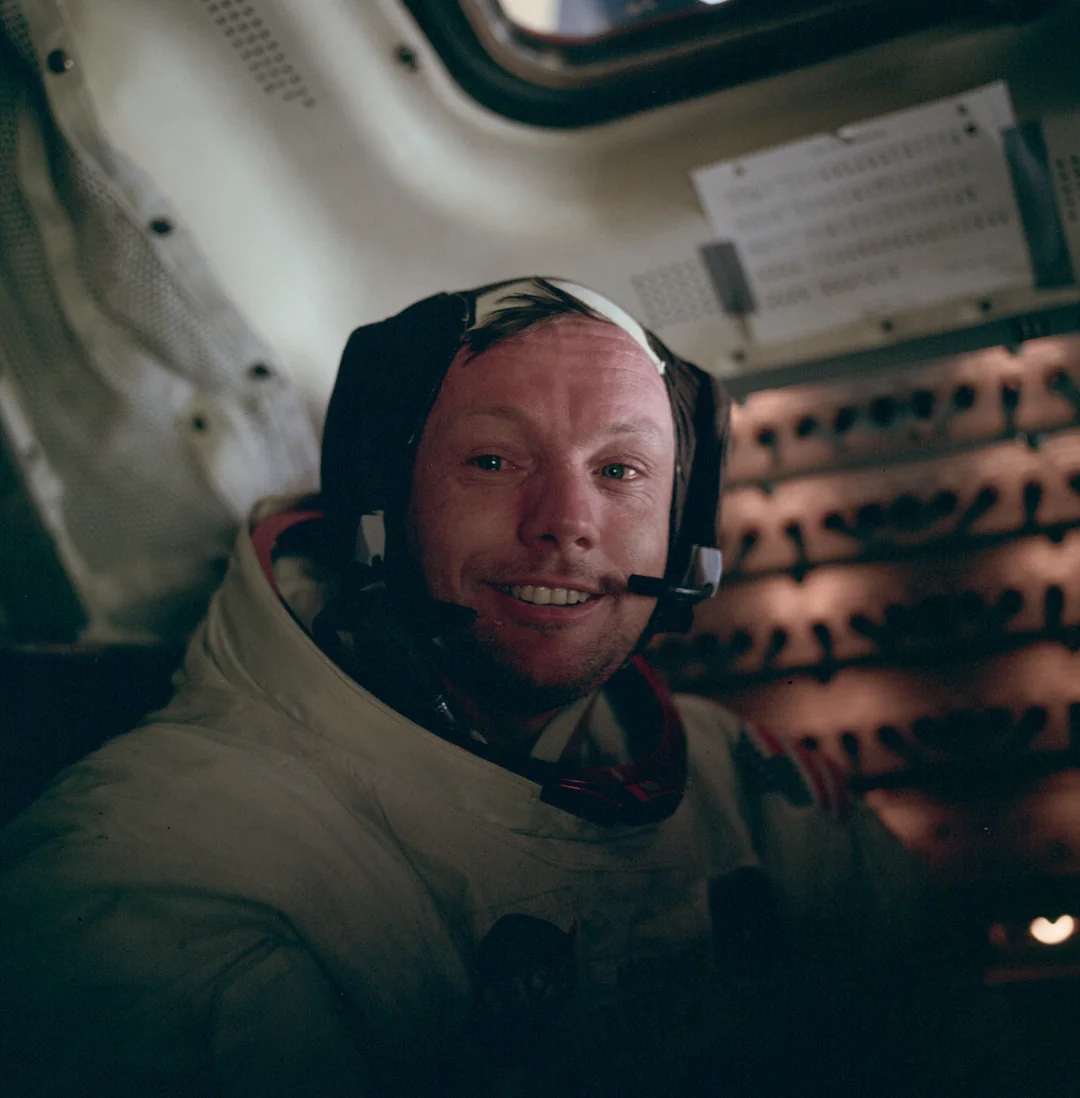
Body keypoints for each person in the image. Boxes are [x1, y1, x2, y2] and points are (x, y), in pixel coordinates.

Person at [0, 278, 947, 1097]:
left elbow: (948, 1040)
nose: (566, 525)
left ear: (684, 538)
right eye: (493, 462)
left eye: (620, 472)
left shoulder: (742, 788)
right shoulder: (165, 877)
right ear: (379, 508)